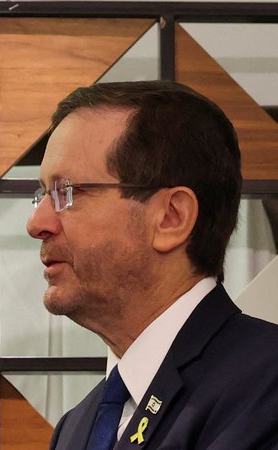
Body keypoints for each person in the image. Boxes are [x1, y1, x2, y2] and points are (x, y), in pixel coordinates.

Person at [27, 80, 278, 449]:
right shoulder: (74, 430)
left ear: (171, 218)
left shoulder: (266, 386)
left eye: (67, 192)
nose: (36, 224)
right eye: (41, 195)